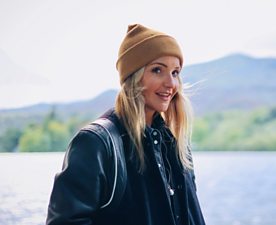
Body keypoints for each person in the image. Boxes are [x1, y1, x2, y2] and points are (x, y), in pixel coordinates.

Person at [46, 24, 206, 225]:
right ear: (134, 77)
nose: (171, 84)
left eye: (175, 73)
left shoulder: (177, 147)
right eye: (158, 70)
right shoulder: (96, 143)